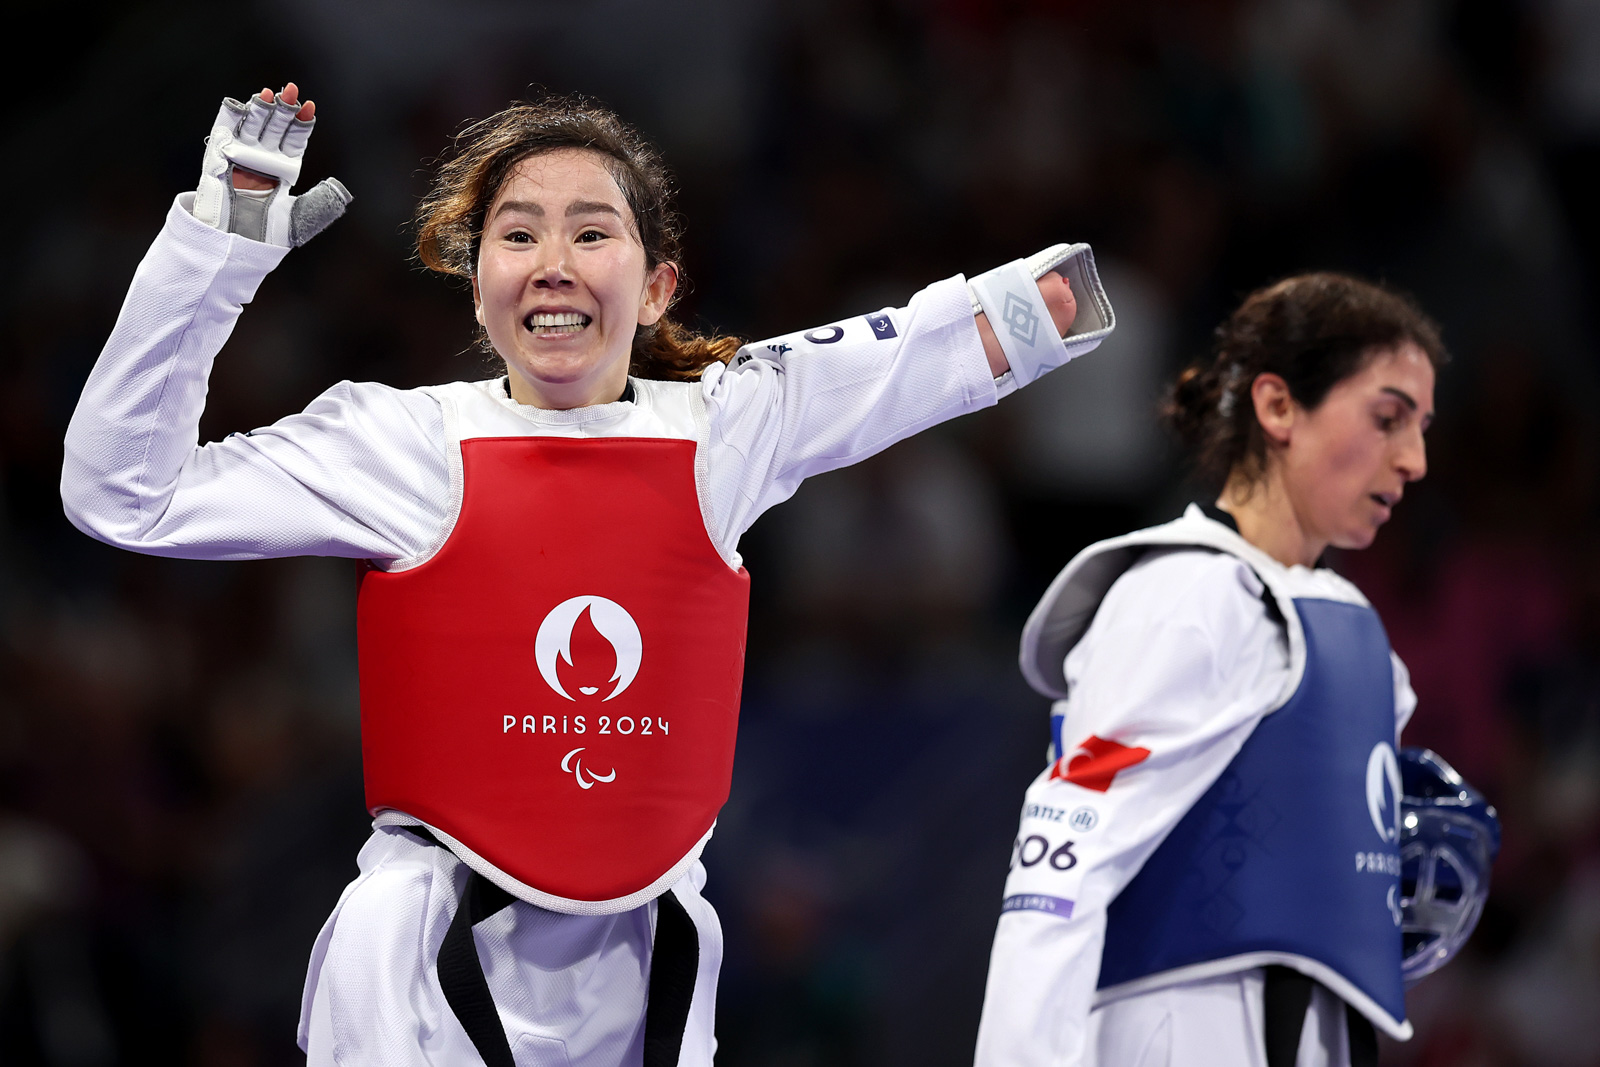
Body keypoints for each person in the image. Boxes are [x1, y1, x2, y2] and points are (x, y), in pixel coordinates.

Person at [60, 84, 1115, 1066]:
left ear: (655, 286)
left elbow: (926, 347)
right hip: (425, 951)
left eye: (590, 231)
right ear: (477, 292)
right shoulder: (399, 441)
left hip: (645, 956)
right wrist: (215, 255)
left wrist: (1057, 294)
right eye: (516, 235)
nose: (553, 261)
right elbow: (122, 493)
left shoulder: (723, 424)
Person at [975, 273, 1455, 1067]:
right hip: (1184, 1032)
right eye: (1387, 418)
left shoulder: (1352, 627)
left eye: (1424, 428)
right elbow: (1061, 869)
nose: (1415, 460)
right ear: (1276, 408)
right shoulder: (1185, 595)